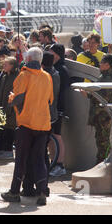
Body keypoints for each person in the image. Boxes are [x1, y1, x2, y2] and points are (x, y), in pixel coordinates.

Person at [1, 47, 54, 206]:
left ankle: (14, 192)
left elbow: (17, 100)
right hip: (43, 123)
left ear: (28, 59)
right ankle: (42, 191)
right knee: (39, 159)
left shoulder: (23, 75)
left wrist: (11, 97)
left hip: (26, 123)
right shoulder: (47, 76)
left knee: (21, 159)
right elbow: (50, 100)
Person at [86, 54, 112, 164]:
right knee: (101, 140)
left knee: (103, 142)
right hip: (102, 115)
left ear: (107, 65)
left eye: (101, 63)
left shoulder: (109, 78)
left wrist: (89, 94)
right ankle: (103, 163)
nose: (99, 65)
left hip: (104, 116)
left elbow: (103, 97)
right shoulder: (106, 76)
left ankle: (104, 164)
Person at [48, 44, 70, 177]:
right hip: (52, 107)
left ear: (57, 54)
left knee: (57, 136)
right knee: (50, 138)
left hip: (58, 107)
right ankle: (53, 161)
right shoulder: (54, 68)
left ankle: (60, 165)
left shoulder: (61, 69)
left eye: (51, 53)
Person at [0, 56, 19, 159]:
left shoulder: (17, 77)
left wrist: (10, 108)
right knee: (0, 128)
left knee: (9, 129)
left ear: (12, 66)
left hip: (11, 109)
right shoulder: (4, 76)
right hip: (1, 107)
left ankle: (8, 151)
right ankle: (0, 149)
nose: (3, 65)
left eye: (6, 64)